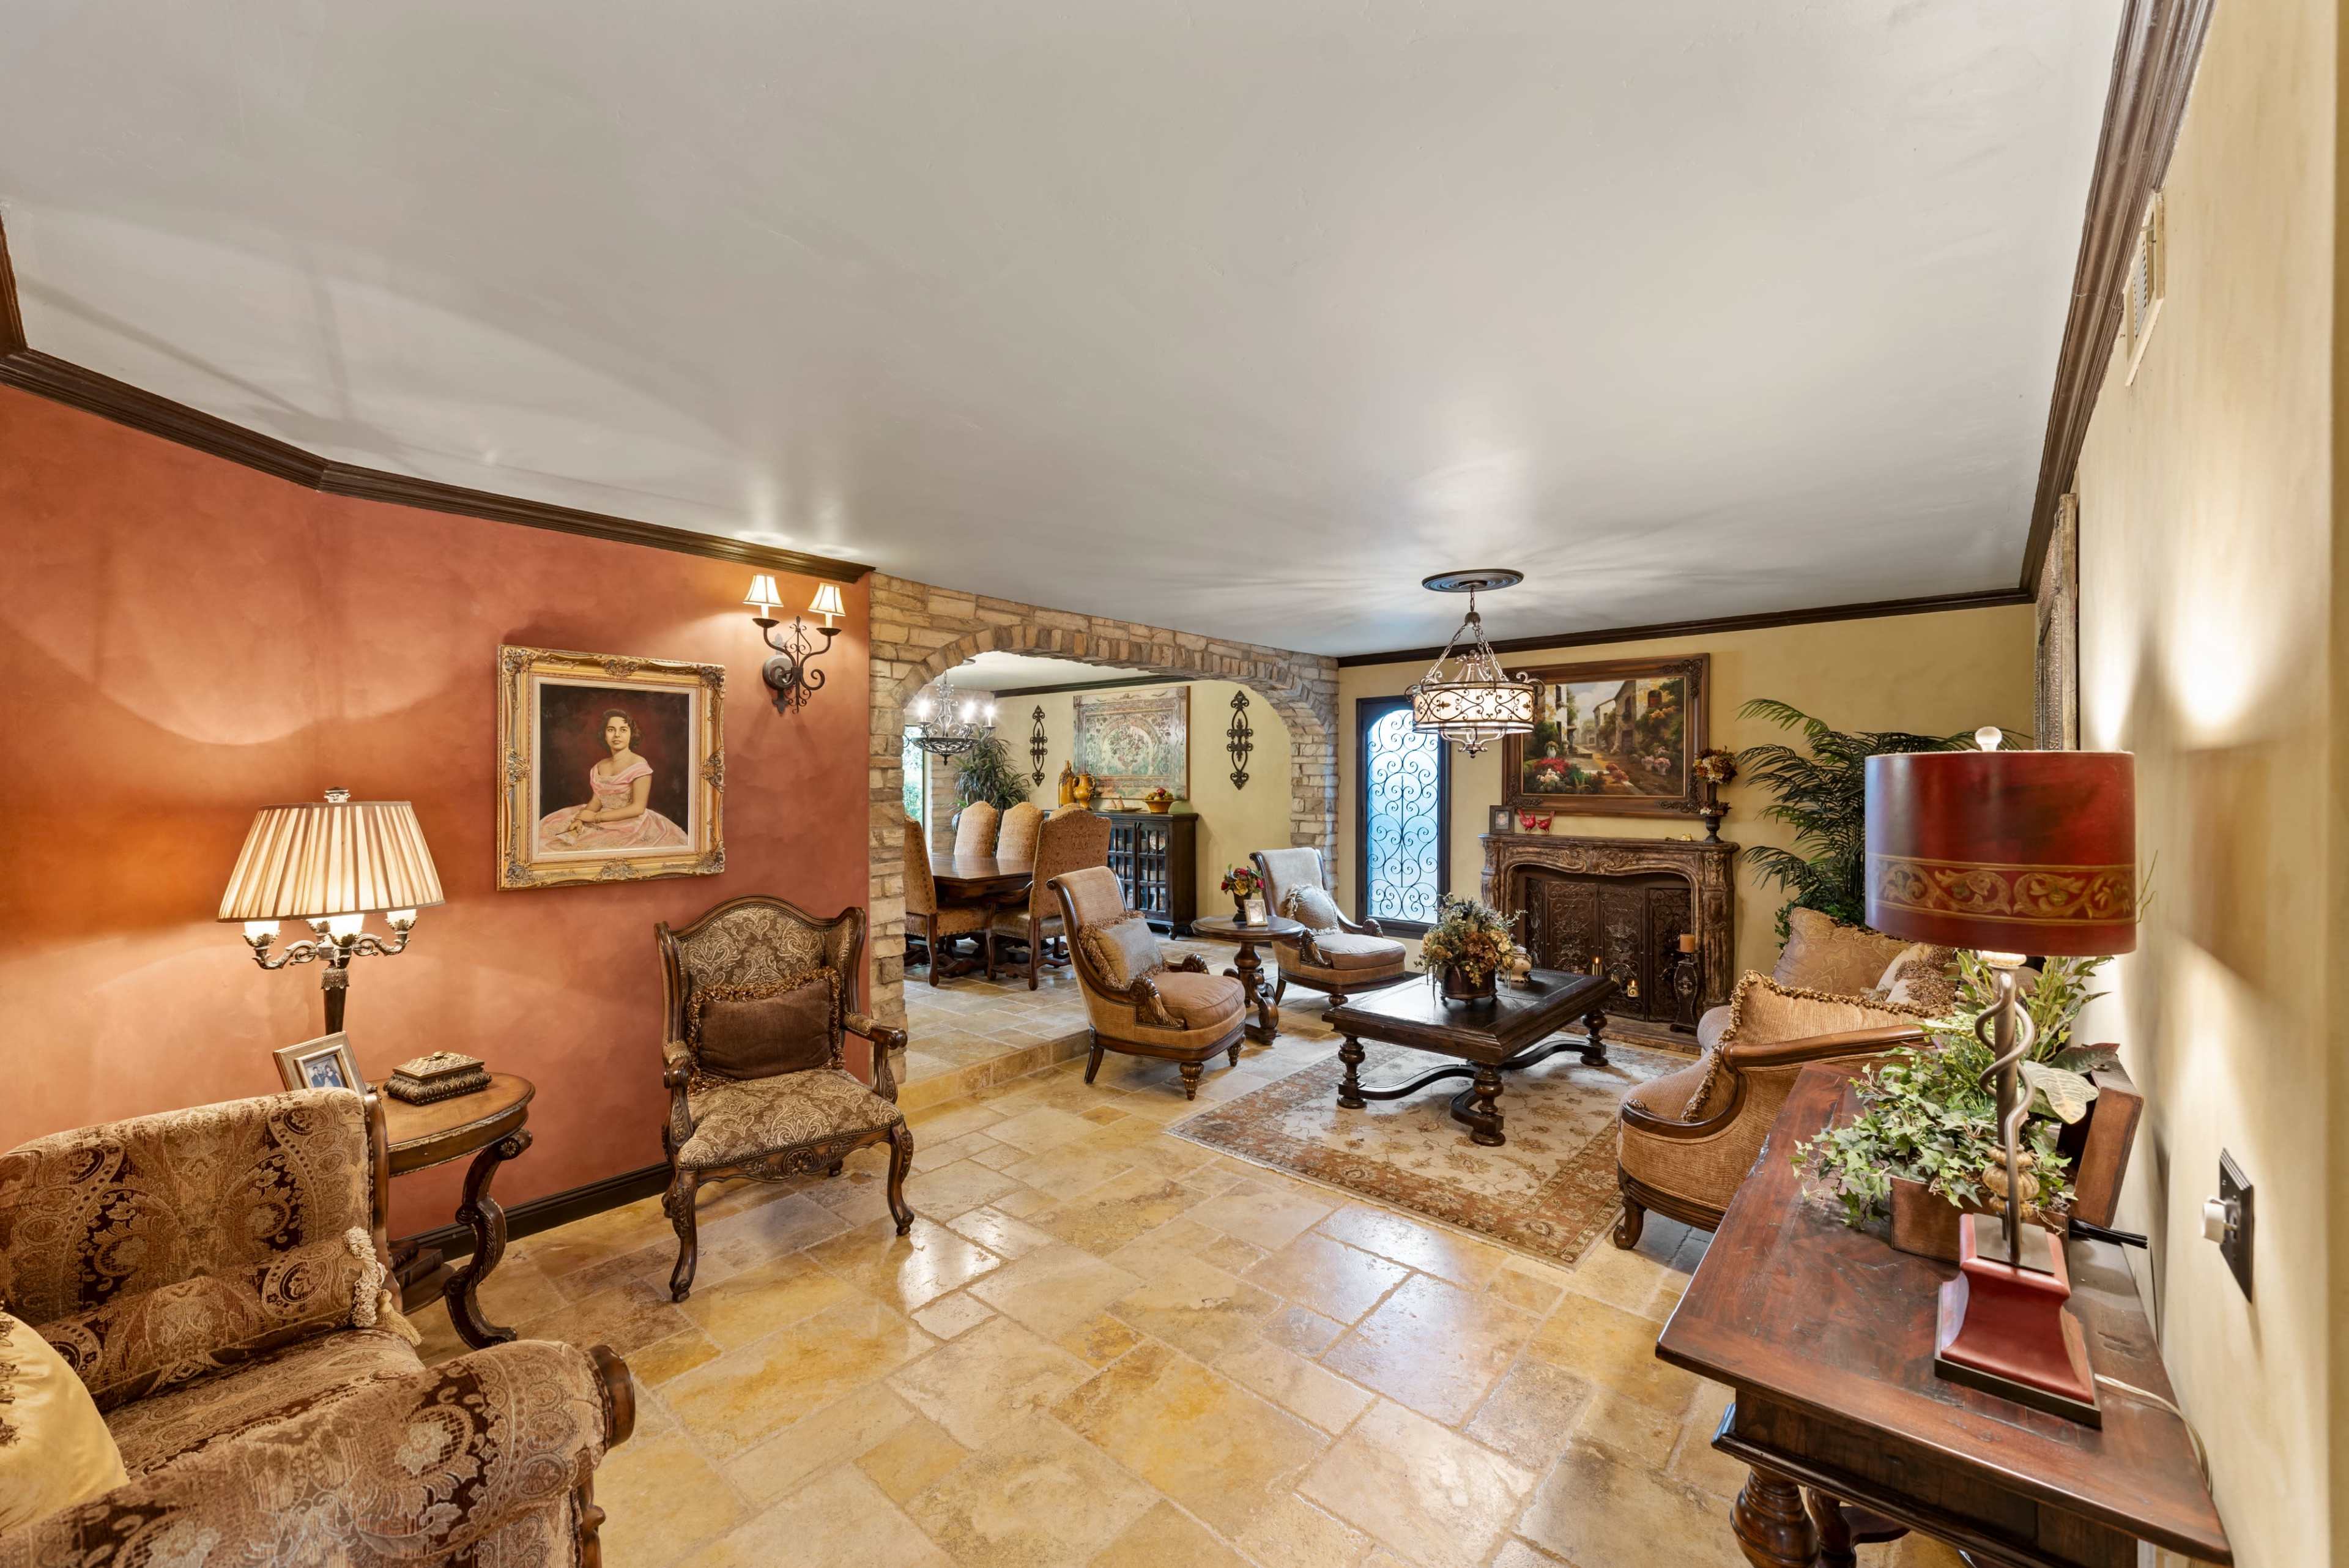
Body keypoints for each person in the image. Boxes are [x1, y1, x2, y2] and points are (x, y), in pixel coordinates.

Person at [538, 707, 691, 852]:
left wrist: (595, 817)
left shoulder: (639, 764)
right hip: (600, 818)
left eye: (623, 730)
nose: (617, 735)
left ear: (631, 734)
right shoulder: (600, 766)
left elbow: (638, 808)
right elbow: (597, 800)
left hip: (631, 825)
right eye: (611, 730)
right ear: (604, 735)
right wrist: (580, 819)